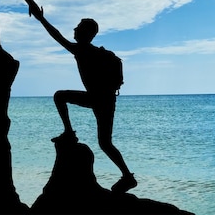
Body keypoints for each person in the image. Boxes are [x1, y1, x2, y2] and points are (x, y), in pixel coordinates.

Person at [33, 11, 137, 193]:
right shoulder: (97, 52)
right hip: (107, 100)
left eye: (78, 27)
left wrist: (42, 19)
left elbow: (56, 36)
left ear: (86, 33)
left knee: (60, 96)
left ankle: (68, 132)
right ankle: (127, 177)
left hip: (98, 99)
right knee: (105, 143)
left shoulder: (82, 50)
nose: (74, 29)